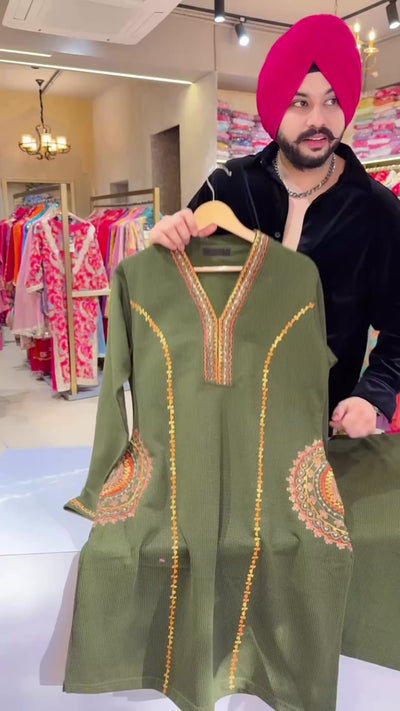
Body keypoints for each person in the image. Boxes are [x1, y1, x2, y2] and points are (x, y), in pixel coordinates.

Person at [149, 13, 400, 439]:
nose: (317, 120)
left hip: (320, 431)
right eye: (300, 102)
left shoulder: (378, 211)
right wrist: (163, 247)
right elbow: (178, 296)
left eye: (332, 101)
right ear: (276, 104)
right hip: (221, 423)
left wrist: (372, 395)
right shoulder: (229, 186)